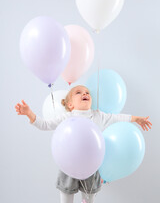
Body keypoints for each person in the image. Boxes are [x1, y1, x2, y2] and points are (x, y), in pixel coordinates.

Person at [15, 85, 152, 203]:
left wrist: (136, 119)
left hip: (91, 166)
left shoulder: (98, 115)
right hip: (68, 164)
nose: (85, 93)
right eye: (78, 92)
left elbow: (117, 118)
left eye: (87, 92)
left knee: (89, 199)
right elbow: (45, 124)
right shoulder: (67, 117)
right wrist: (29, 113)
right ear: (70, 105)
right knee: (66, 197)